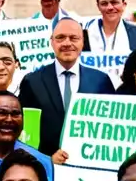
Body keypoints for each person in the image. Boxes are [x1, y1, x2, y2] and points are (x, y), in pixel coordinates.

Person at [17, 17, 114, 158]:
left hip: (89, 167)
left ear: (83, 42)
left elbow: (109, 128)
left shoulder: (101, 81)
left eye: (74, 38)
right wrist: (47, 160)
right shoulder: (32, 81)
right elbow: (25, 134)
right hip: (46, 170)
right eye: (60, 38)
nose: (67, 43)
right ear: (52, 42)